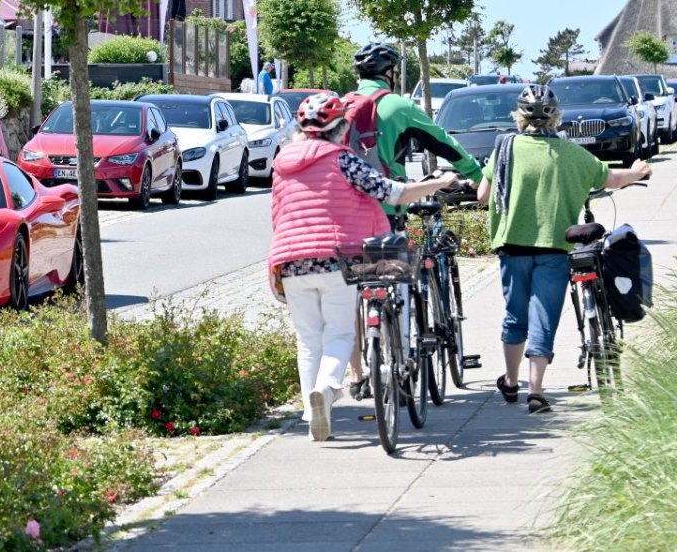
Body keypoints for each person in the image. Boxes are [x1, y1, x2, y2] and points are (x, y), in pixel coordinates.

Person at [270, 94, 460, 442]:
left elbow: (278, 214)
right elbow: (392, 192)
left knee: (307, 339)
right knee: (339, 334)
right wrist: (441, 182)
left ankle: (313, 413)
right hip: (336, 258)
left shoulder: (281, 162)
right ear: (341, 127)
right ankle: (326, 390)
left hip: (292, 261)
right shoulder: (342, 159)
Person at [477, 84, 651, 414]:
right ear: (556, 117)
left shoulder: (504, 149)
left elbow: (483, 196)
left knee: (516, 317)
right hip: (556, 248)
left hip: (512, 246)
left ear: (519, 117)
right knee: (544, 318)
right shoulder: (571, 153)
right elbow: (610, 179)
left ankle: (511, 382)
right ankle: (537, 391)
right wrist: (639, 171)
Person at [351, 43, 484, 223]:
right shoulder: (399, 106)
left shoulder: (343, 105)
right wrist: (478, 175)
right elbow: (442, 142)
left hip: (345, 208)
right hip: (386, 208)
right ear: (389, 73)